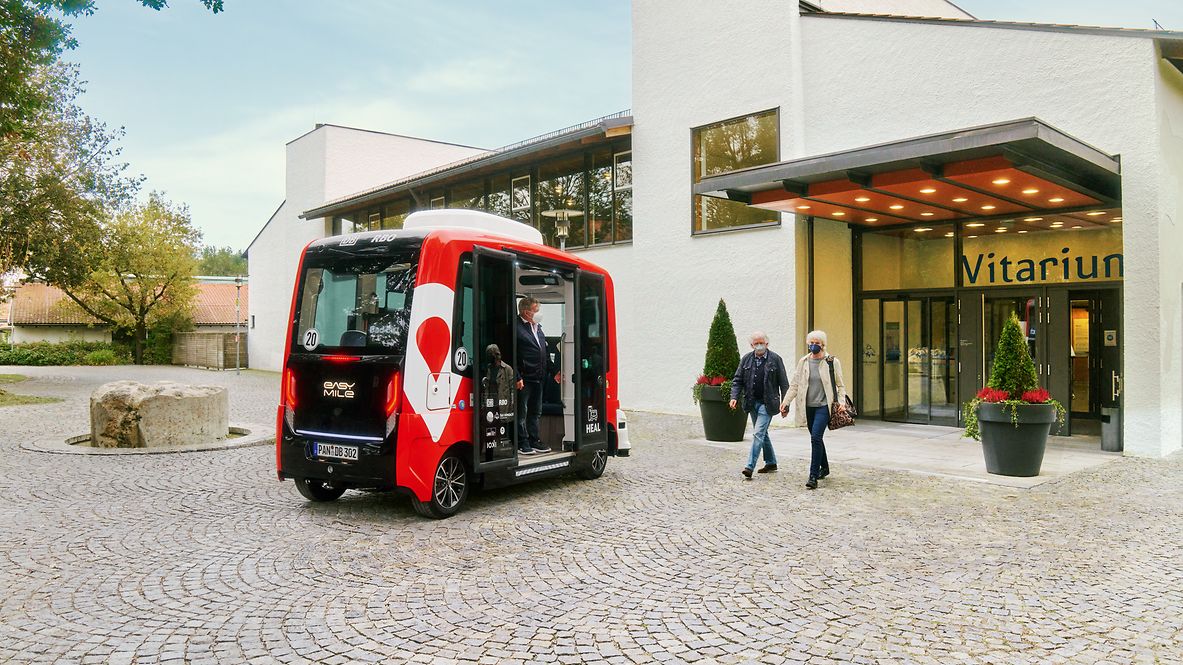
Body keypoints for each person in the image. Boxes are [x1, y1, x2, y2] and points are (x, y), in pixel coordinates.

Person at [780, 330, 847, 490]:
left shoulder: (832, 361)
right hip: (807, 406)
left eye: (817, 343)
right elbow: (795, 384)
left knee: (816, 437)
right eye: (811, 342)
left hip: (824, 406)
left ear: (823, 345)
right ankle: (825, 467)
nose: (814, 345)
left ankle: (813, 476)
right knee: (816, 438)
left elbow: (840, 385)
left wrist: (842, 402)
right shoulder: (803, 361)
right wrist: (786, 402)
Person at [729, 331, 790, 479]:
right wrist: (734, 397)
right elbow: (738, 380)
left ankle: (749, 466)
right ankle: (771, 462)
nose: (759, 345)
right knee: (763, 433)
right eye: (756, 343)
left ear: (767, 343)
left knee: (757, 434)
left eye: (761, 342)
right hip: (752, 402)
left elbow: (784, 383)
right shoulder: (746, 359)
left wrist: (785, 404)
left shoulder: (775, 359)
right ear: (751, 345)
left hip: (768, 403)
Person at [516, 296, 560, 456]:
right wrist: (516, 376)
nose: (538, 314)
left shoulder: (538, 328)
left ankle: (534, 440)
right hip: (524, 379)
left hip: (538, 378)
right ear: (526, 312)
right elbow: (510, 353)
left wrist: (555, 371)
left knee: (536, 412)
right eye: (536, 311)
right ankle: (522, 442)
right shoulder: (516, 328)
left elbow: (545, 354)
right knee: (522, 413)